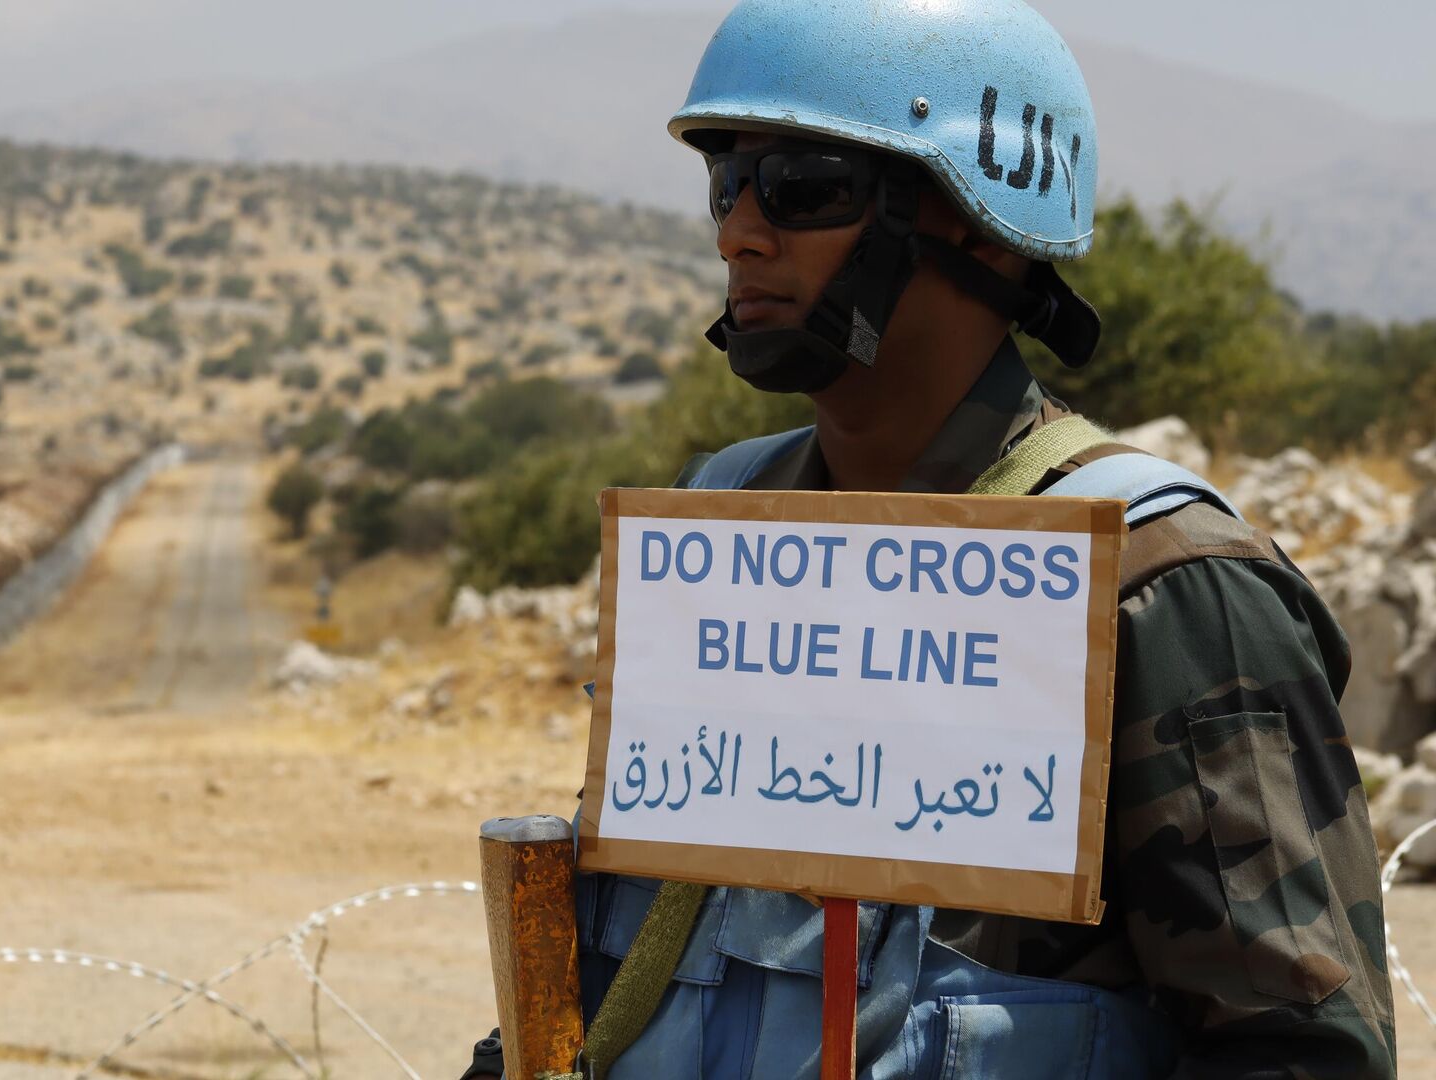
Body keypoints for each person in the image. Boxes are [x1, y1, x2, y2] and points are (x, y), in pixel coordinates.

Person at [463, 0, 1396, 1076]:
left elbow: (1299, 1052)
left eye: (803, 187)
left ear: (982, 228)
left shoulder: (1157, 584)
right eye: (728, 185)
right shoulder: (720, 523)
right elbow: (615, 954)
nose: (738, 234)